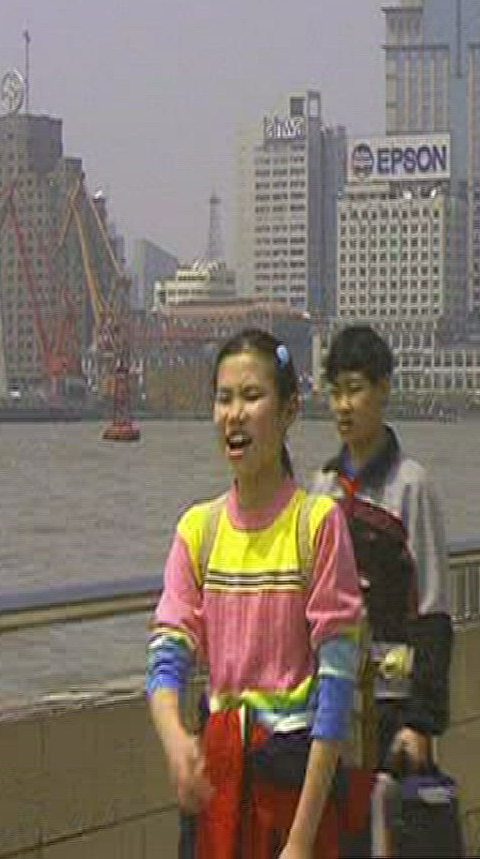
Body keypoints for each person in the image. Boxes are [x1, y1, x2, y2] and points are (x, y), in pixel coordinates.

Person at [147, 329, 366, 859]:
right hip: (219, 788)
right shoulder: (198, 530)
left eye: (251, 396)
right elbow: (168, 653)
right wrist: (176, 739)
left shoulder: (317, 524)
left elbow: (336, 690)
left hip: (292, 789)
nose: (234, 415)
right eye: (224, 399)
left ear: (288, 410)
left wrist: (300, 839)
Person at [309, 324, 453, 857]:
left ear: (384, 389)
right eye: (335, 392)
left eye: (355, 390)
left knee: (395, 839)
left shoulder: (410, 485)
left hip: (394, 705)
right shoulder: (322, 488)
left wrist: (422, 721)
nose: (343, 406)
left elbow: (433, 608)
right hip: (334, 704)